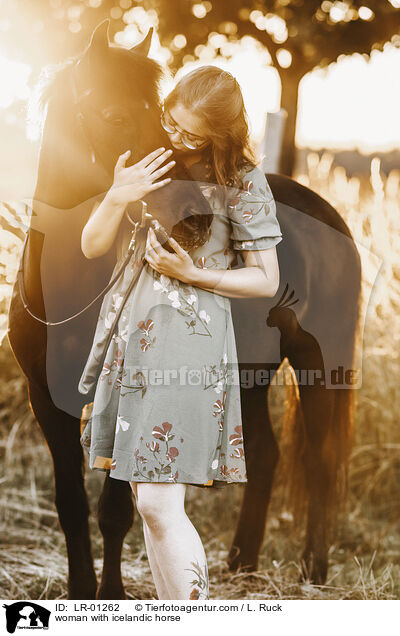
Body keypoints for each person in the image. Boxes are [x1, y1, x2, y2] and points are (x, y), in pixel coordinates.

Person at [78, 65, 283, 600]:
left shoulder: (242, 180)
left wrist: (196, 274)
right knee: (150, 501)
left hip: (189, 338)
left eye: (193, 133)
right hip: (134, 333)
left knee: (157, 503)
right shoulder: (155, 156)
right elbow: (91, 245)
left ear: (222, 131)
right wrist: (116, 195)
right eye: (172, 120)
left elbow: (266, 280)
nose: (176, 136)